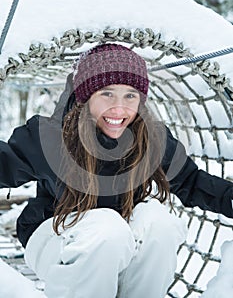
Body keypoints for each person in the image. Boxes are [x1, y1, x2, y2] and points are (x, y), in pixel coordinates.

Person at [0, 43, 232, 298]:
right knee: (107, 227)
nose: (119, 109)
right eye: (107, 93)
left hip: (119, 241)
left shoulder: (150, 139)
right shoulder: (51, 138)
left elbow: (191, 182)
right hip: (54, 236)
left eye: (130, 95)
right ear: (85, 97)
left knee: (159, 222)